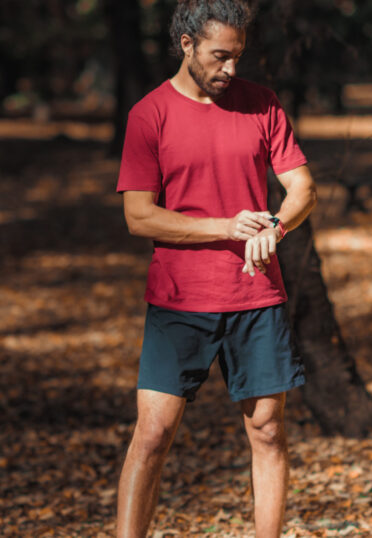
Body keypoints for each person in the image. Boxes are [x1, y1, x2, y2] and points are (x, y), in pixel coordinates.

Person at [114, 1, 316, 536]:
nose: (231, 68)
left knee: (269, 433)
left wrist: (275, 227)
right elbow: (138, 216)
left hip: (256, 299)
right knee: (153, 435)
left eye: (238, 56)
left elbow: (302, 189)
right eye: (219, 56)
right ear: (186, 45)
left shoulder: (262, 104)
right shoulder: (149, 114)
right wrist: (226, 227)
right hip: (178, 301)